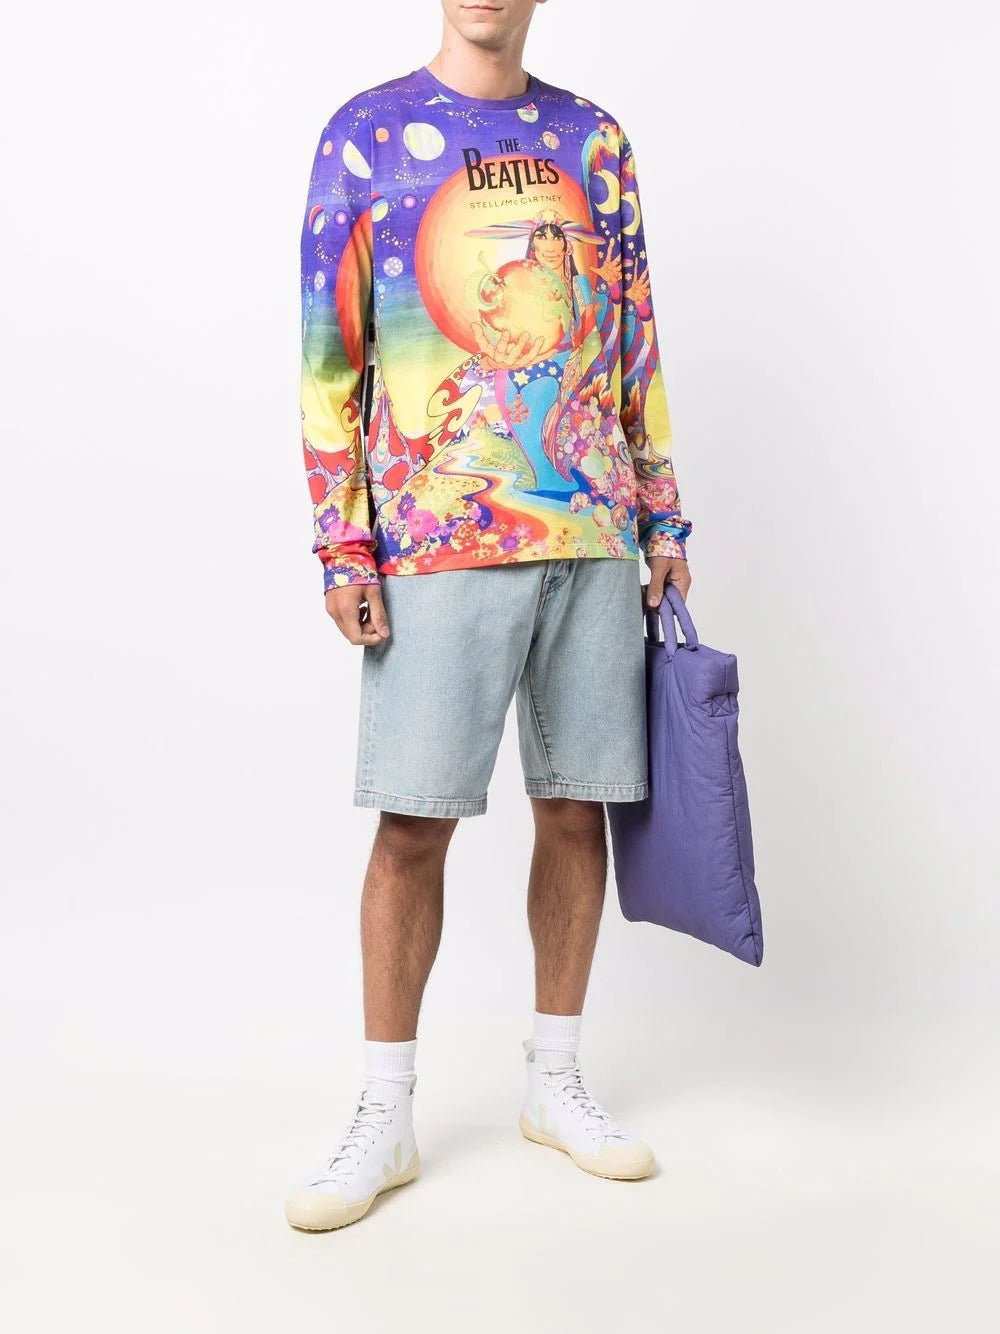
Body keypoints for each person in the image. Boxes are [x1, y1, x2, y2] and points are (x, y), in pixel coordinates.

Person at [286, 0, 692, 1232]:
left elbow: (632, 338)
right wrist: (342, 537)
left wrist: (662, 516)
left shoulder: (595, 140)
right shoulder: (365, 136)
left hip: (592, 532)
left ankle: (554, 1079)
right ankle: (385, 1109)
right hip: (435, 539)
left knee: (575, 810)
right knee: (413, 824)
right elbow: (329, 356)